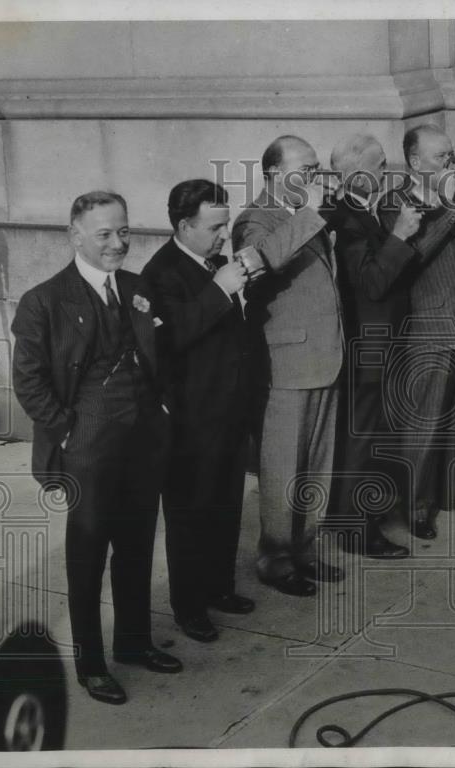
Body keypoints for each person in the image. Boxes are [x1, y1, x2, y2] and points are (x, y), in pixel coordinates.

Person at [11, 191, 181, 705]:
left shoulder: (136, 288)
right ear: (76, 235)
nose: (117, 243)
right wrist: (66, 430)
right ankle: (91, 663)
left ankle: (133, 643)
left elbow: (161, 355)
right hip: (87, 442)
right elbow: (28, 380)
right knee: (87, 553)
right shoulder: (43, 301)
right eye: (104, 234)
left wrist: (162, 411)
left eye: (123, 231)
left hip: (143, 439)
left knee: (136, 545)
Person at [141, 179, 255, 643]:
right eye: (214, 227)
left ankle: (218, 588)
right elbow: (166, 339)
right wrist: (220, 290)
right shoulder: (160, 272)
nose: (223, 235)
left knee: (226, 505)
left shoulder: (213, 262)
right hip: (190, 419)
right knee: (190, 514)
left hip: (227, 410)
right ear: (185, 226)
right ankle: (188, 606)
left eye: (225, 225)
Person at [233, 135, 345, 597]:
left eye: (317, 169)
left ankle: (305, 549)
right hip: (285, 363)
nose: (316, 178)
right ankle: (276, 557)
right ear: (277, 175)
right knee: (283, 467)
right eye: (307, 170)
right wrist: (311, 214)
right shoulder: (254, 219)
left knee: (316, 465)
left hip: (323, 356)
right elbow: (263, 262)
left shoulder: (304, 214)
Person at [380, 124, 455, 539]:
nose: (451, 163)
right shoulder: (396, 203)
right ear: (415, 162)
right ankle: (415, 507)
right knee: (424, 425)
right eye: (440, 157)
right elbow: (410, 260)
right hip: (429, 329)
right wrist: (450, 208)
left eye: (450, 155)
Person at [327, 134, 423, 558]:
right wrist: (400, 235)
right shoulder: (345, 218)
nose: (387, 172)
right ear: (355, 171)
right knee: (363, 441)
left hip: (379, 345)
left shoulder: (361, 210)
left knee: (368, 437)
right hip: (368, 349)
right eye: (380, 165)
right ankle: (356, 530)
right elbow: (370, 282)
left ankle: (355, 519)